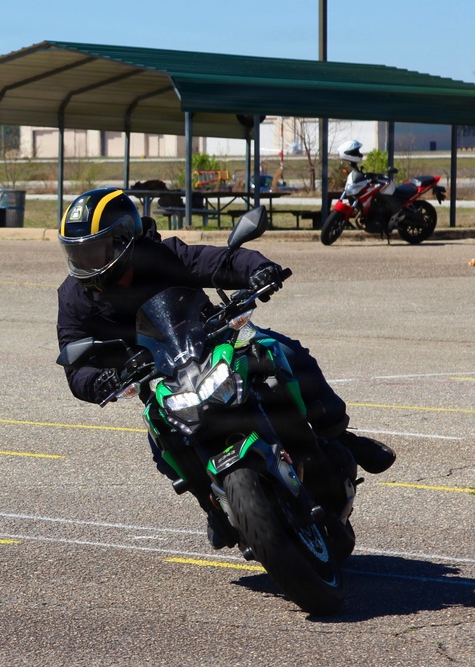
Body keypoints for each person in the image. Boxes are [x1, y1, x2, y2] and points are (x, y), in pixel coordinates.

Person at [56, 187, 395, 547]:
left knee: (283, 352)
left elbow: (219, 261)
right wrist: (99, 380)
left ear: (123, 242)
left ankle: (340, 436)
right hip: (158, 375)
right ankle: (214, 505)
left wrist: (259, 270)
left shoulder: (161, 255)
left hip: (214, 341)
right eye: (76, 252)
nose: (84, 261)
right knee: (161, 441)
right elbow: (75, 363)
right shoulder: (73, 296)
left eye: (93, 250)